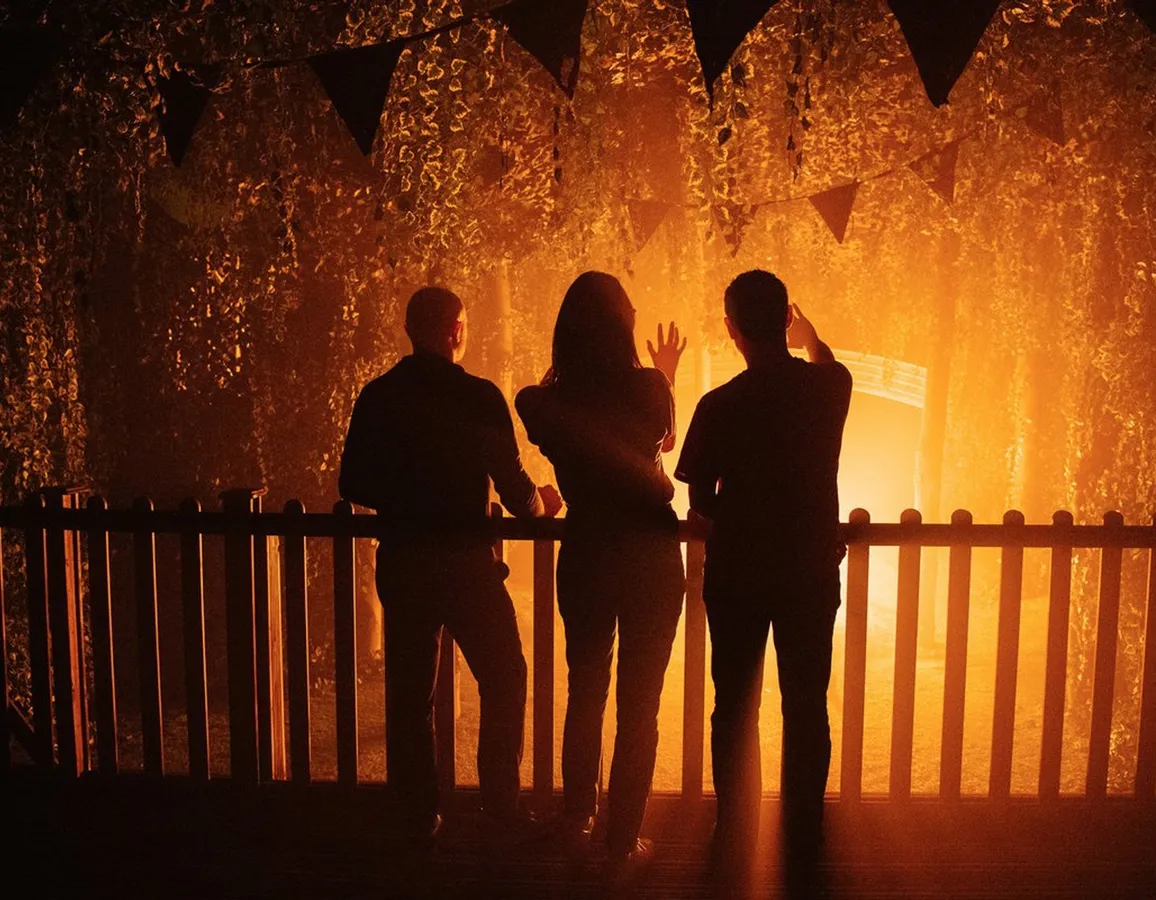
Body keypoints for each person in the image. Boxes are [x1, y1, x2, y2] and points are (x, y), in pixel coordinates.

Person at [338, 286, 561, 846]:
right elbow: (514, 489)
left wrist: (407, 495)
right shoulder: (478, 398)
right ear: (455, 330)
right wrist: (544, 505)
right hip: (466, 564)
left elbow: (352, 482)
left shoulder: (379, 397)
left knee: (411, 692)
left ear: (412, 330)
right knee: (505, 676)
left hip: (406, 562)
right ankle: (500, 806)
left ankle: (418, 813)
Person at [675, 271, 852, 896]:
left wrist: (723, 514)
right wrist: (813, 339)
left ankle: (736, 827)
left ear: (733, 330)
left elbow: (698, 493)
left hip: (740, 572)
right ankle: (805, 831)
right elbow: (830, 366)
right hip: (807, 569)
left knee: (735, 703)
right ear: (785, 321)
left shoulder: (720, 405)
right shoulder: (829, 387)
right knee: (806, 702)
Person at [515, 272, 686, 883]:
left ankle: (578, 817)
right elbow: (661, 441)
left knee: (586, 686)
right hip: (650, 550)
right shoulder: (648, 387)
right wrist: (664, 375)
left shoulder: (547, 402)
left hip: (588, 547)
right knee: (642, 702)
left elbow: (535, 407)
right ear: (623, 326)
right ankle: (623, 841)